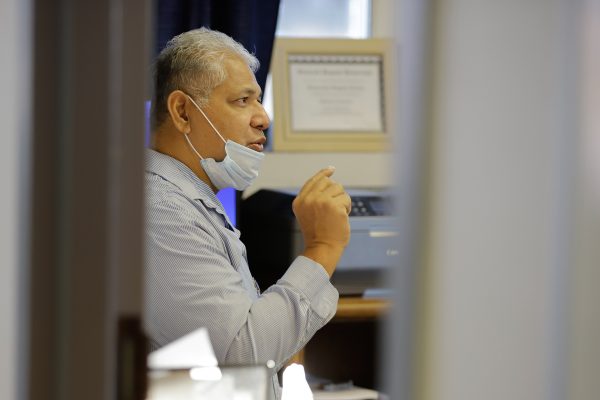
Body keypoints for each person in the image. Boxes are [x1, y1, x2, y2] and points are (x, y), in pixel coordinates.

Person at [144, 27, 351, 399]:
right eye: (242, 101)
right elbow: (242, 357)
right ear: (182, 111)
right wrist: (322, 248)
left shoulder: (190, 203)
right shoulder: (159, 210)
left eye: (258, 100)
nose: (263, 118)